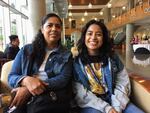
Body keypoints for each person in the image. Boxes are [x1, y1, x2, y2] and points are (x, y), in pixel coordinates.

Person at [72, 19, 145, 113]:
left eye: (98, 34)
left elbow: (122, 83)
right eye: (89, 33)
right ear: (84, 37)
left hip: (115, 99)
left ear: (103, 38)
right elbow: (81, 93)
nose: (93, 37)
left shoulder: (113, 58)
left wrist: (117, 106)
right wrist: (107, 108)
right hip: (92, 104)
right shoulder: (77, 62)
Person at [7, 13, 73, 113]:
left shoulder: (66, 54)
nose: (54, 29)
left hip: (51, 96)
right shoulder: (26, 50)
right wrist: (26, 80)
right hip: (24, 96)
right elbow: (11, 76)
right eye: (49, 25)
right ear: (42, 29)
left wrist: (30, 89)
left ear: (61, 30)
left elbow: (62, 80)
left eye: (58, 26)